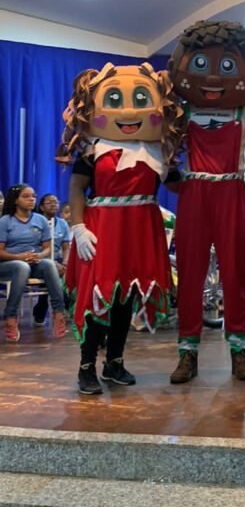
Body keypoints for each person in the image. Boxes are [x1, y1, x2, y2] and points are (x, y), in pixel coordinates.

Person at [59, 62, 184, 394]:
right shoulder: (93, 149)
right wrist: (78, 227)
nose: (129, 112)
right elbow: (76, 189)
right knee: (97, 296)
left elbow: (178, 186)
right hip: (102, 229)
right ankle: (86, 367)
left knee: (127, 295)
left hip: (141, 229)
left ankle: (114, 362)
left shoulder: (159, 151)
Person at [167, 19, 245, 384]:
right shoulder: (183, 110)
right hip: (194, 192)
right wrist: (170, 177)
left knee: (236, 271)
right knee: (190, 272)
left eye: (225, 66)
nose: (211, 77)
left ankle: (239, 350)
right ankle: (187, 352)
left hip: (230, 191)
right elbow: (165, 149)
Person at [0, 184, 67, 342]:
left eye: (33, 196)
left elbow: (47, 248)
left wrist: (39, 255)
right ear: (15, 200)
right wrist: (19, 257)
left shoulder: (40, 219)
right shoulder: (5, 221)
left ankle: (58, 313)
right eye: (26, 196)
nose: (31, 199)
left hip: (34, 261)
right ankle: (10, 317)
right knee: (22, 266)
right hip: (9, 263)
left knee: (49, 264)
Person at [31, 194, 71, 326]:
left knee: (66, 273)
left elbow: (66, 247)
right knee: (50, 272)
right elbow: (36, 248)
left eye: (56, 202)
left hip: (59, 259)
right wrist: (54, 264)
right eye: (49, 202)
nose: (54, 204)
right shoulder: (36, 223)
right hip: (40, 258)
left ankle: (41, 310)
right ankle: (67, 306)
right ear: (42, 207)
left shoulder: (63, 223)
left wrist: (65, 263)